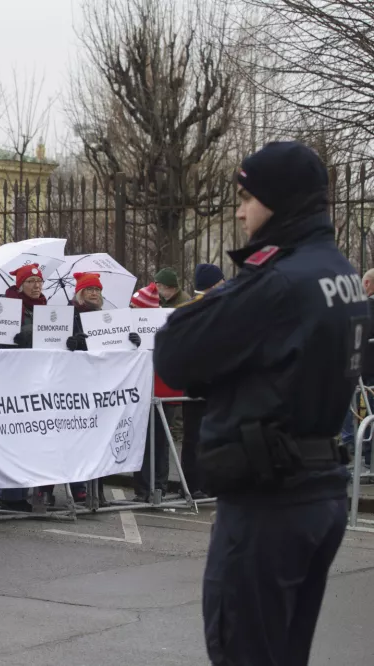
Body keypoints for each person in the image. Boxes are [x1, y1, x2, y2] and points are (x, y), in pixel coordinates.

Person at [155, 141, 364, 666]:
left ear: (281, 201)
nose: (241, 211)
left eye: (248, 197)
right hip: (319, 490)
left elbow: (176, 352)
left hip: (270, 498)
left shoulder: (278, 281)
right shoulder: (339, 272)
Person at [66, 272, 142, 506]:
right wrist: (73, 342)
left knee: (99, 439)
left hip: (101, 386)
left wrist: (132, 341)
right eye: (90, 290)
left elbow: (114, 349)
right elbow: (58, 343)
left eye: (97, 290)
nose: (94, 294)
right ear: (80, 293)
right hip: (77, 386)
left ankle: (96, 490)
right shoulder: (70, 316)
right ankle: (78, 489)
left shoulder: (106, 317)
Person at [0, 265, 49, 510]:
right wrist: (29, 333)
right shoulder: (6, 305)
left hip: (38, 380)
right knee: (14, 437)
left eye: (39, 281)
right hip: (12, 380)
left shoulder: (45, 309)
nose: (36, 286)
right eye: (31, 281)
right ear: (20, 285)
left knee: (32, 437)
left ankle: (26, 492)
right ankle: (10, 495)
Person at [180, 265, 227, 499]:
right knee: (194, 436)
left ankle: (208, 482)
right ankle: (193, 483)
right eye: (221, 282)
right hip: (198, 383)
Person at [129, 282, 174, 502]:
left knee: (152, 441)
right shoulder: (164, 322)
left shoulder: (160, 323)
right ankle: (154, 487)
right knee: (154, 442)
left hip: (156, 388)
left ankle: (151, 487)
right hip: (154, 389)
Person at [341, 267, 374, 473]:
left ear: (368, 284)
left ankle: (357, 453)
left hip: (362, 371)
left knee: (350, 406)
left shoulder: (365, 308)